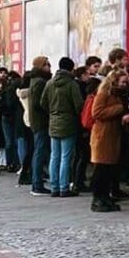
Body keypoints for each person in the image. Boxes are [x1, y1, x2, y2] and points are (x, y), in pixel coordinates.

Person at [90, 69, 129, 211]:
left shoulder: (119, 95)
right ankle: (98, 199)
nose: (125, 85)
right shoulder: (104, 93)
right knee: (101, 169)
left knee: (109, 170)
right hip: (103, 136)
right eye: (123, 82)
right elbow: (97, 112)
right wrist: (119, 108)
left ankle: (105, 197)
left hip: (113, 135)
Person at [40, 56, 82, 196]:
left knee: (54, 156)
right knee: (66, 157)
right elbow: (78, 105)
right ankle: (64, 187)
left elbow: (43, 103)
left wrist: (53, 112)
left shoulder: (50, 83)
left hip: (53, 121)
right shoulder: (72, 84)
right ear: (71, 68)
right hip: (68, 122)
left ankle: (54, 187)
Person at [25, 56, 52, 195]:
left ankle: (38, 181)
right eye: (47, 64)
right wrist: (48, 109)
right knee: (40, 151)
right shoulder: (40, 82)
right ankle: (37, 184)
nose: (49, 67)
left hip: (37, 121)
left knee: (40, 151)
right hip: (41, 122)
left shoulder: (35, 80)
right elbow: (39, 103)